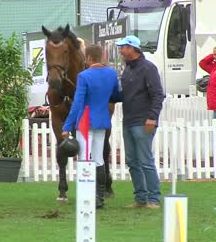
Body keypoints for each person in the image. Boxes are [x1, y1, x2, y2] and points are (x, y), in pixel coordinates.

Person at [62, 44, 120, 209]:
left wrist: (67, 125)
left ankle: (86, 197)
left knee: (84, 159)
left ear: (87, 58)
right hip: (102, 120)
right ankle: (99, 198)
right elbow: (116, 95)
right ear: (101, 56)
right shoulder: (111, 73)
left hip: (85, 121)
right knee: (99, 159)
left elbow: (78, 102)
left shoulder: (84, 76)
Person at [116, 35, 165, 209]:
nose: (121, 50)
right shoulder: (127, 69)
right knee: (132, 161)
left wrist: (152, 117)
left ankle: (153, 199)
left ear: (132, 48)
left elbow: (158, 94)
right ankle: (140, 198)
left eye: (123, 47)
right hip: (128, 120)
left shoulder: (148, 68)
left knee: (145, 161)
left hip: (144, 121)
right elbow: (124, 95)